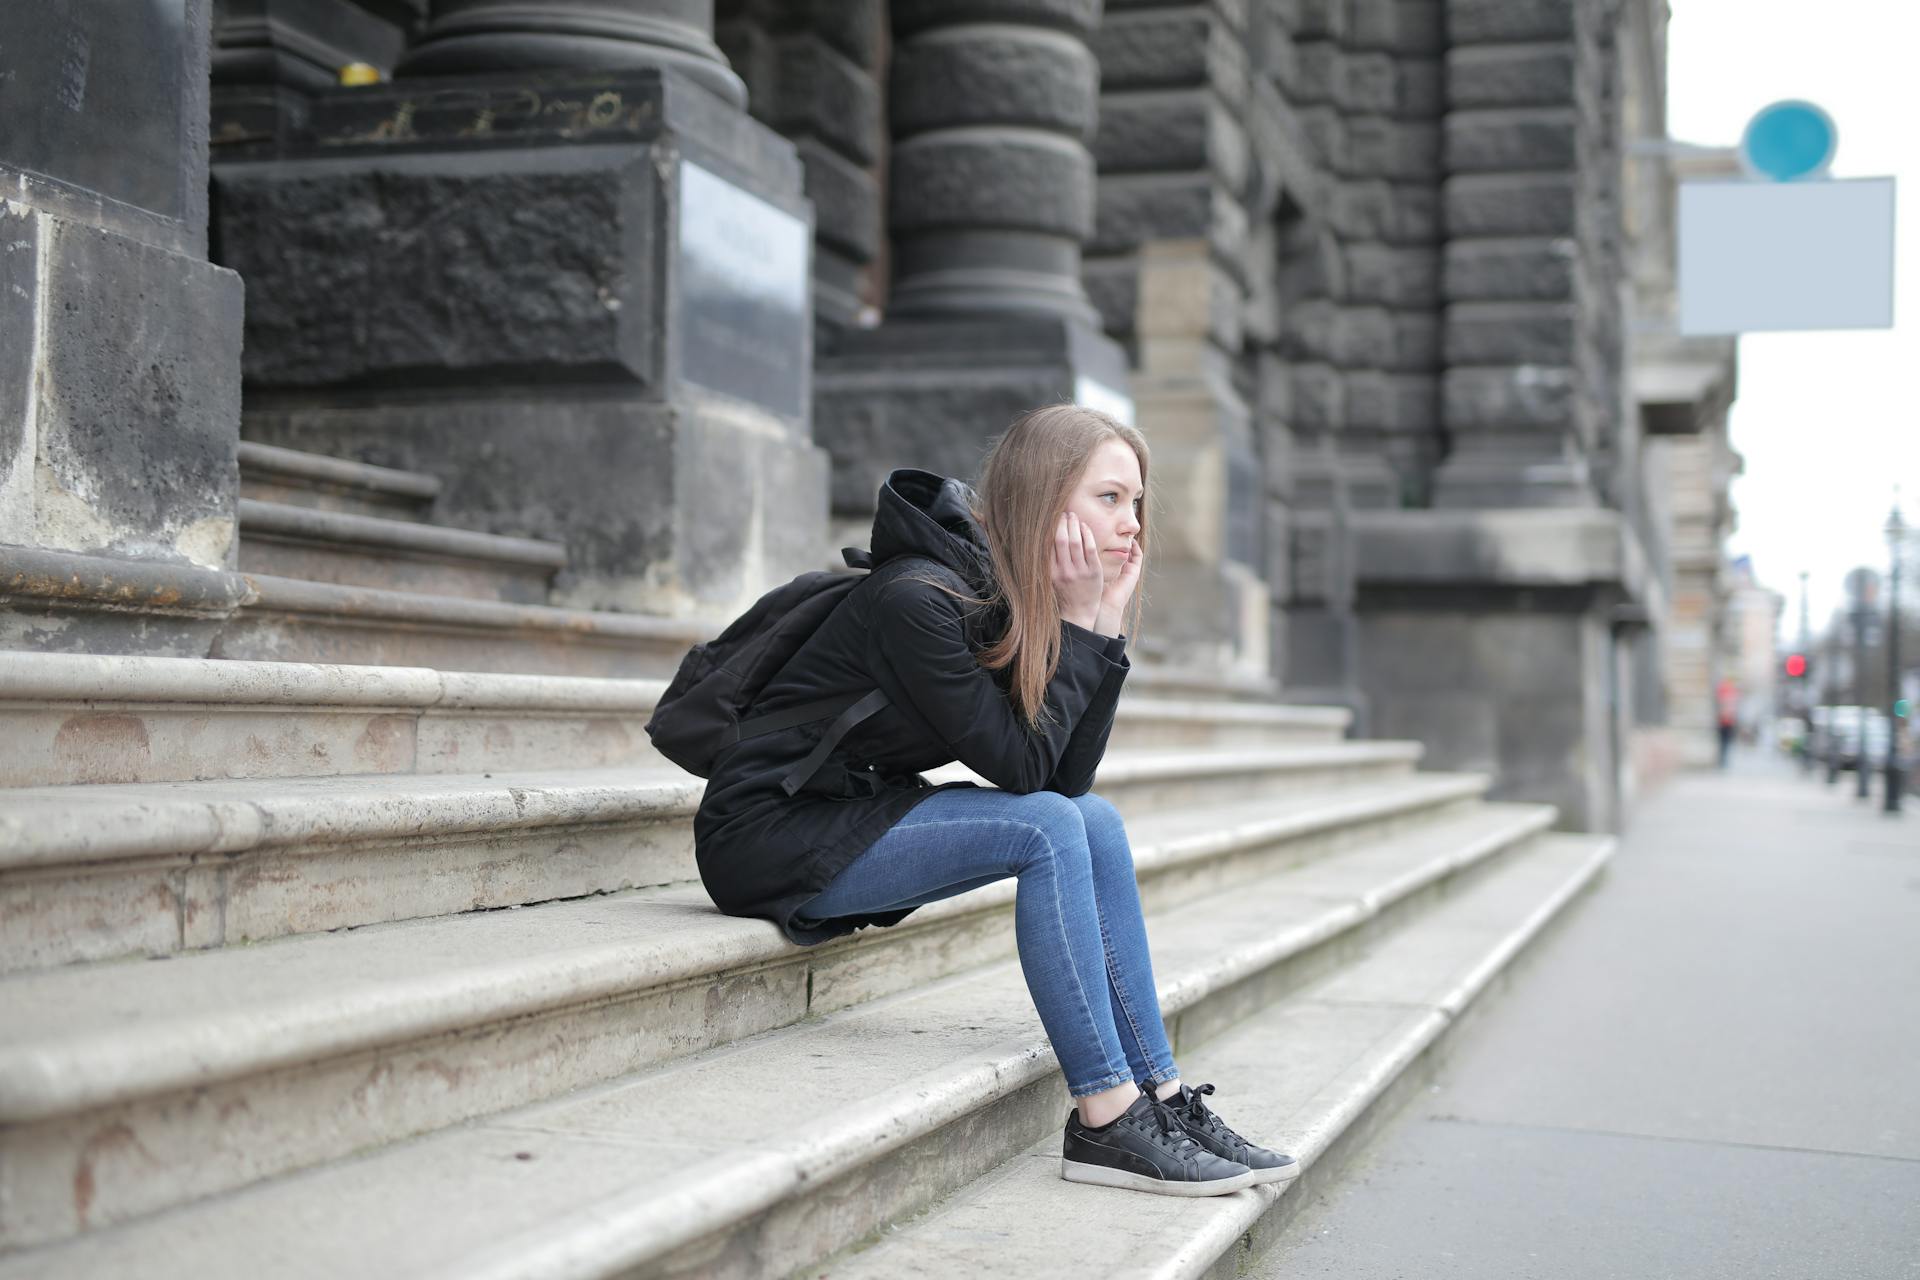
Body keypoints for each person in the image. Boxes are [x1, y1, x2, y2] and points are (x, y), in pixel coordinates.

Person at [693, 404, 1296, 1197]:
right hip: (765, 834)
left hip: (851, 816)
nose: (1132, 527)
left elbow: (1066, 780)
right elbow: (1022, 772)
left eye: (1138, 503)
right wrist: (1083, 619)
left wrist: (1103, 626)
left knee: (1093, 817)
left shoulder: (998, 596)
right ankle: (1106, 1119)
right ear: (1047, 502)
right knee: (1047, 828)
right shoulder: (919, 601)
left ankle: (1162, 1095)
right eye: (1109, 499)